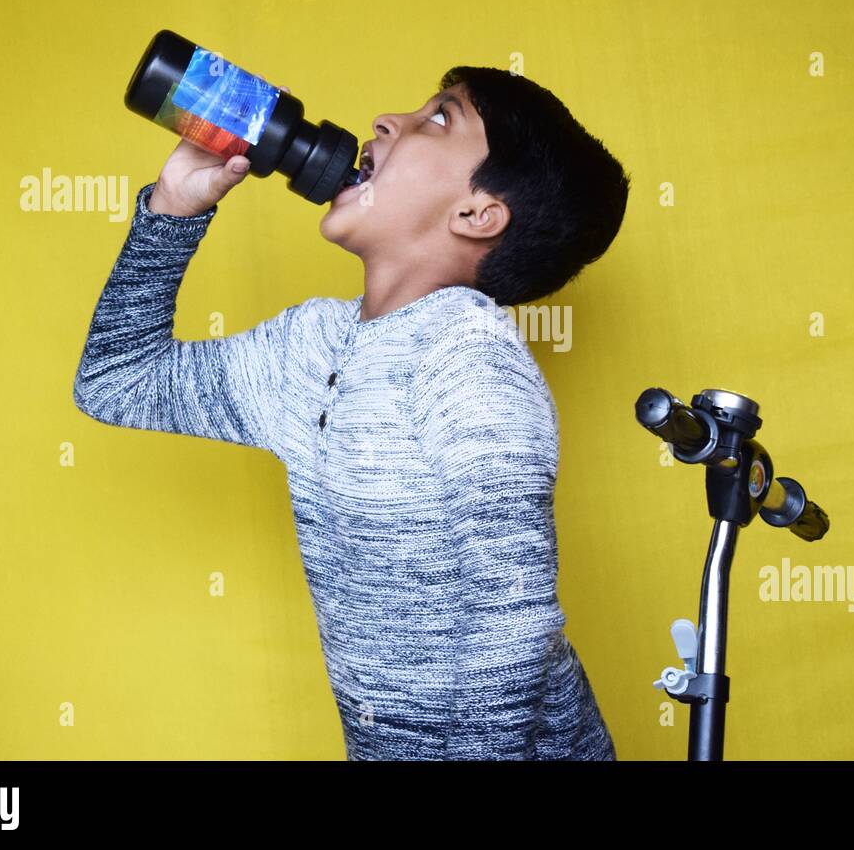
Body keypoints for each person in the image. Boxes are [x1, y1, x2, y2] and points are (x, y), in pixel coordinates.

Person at [73, 65, 630, 760]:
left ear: (477, 214)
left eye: (440, 119)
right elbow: (118, 380)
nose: (386, 122)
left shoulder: (470, 359)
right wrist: (173, 209)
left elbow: (509, 626)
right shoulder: (308, 349)